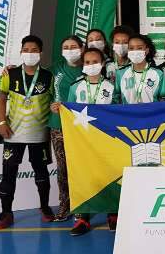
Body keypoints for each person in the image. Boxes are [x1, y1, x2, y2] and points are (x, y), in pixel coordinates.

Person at [0, 35, 55, 230]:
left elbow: (55, 101)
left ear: (41, 53)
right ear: (21, 52)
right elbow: (2, 97)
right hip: (13, 133)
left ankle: (45, 207)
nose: (30, 53)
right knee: (8, 173)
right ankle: (5, 213)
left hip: (39, 134)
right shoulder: (9, 75)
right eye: (26, 50)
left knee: (41, 173)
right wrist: (2, 121)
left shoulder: (48, 76)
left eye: (34, 50)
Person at [65, 48, 117, 236]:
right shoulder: (75, 87)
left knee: (111, 174)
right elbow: (69, 110)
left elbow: (117, 112)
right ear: (83, 65)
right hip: (83, 142)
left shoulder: (112, 87)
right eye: (87, 62)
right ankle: (82, 218)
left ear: (103, 64)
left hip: (106, 139)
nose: (91, 65)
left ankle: (113, 213)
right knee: (84, 177)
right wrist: (59, 108)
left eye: (95, 61)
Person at [48, 35, 85, 221]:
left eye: (73, 46)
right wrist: (12, 69)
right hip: (59, 126)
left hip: (83, 127)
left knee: (81, 166)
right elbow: (34, 79)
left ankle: (82, 205)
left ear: (82, 48)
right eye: (66, 47)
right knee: (62, 168)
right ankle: (65, 204)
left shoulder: (89, 67)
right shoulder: (56, 69)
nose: (69, 50)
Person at [113, 34, 164, 104]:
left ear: (146, 50)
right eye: (131, 48)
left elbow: (163, 100)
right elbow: (116, 99)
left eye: (139, 48)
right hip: (128, 114)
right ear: (128, 51)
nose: (135, 51)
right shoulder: (120, 73)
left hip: (151, 114)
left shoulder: (158, 73)